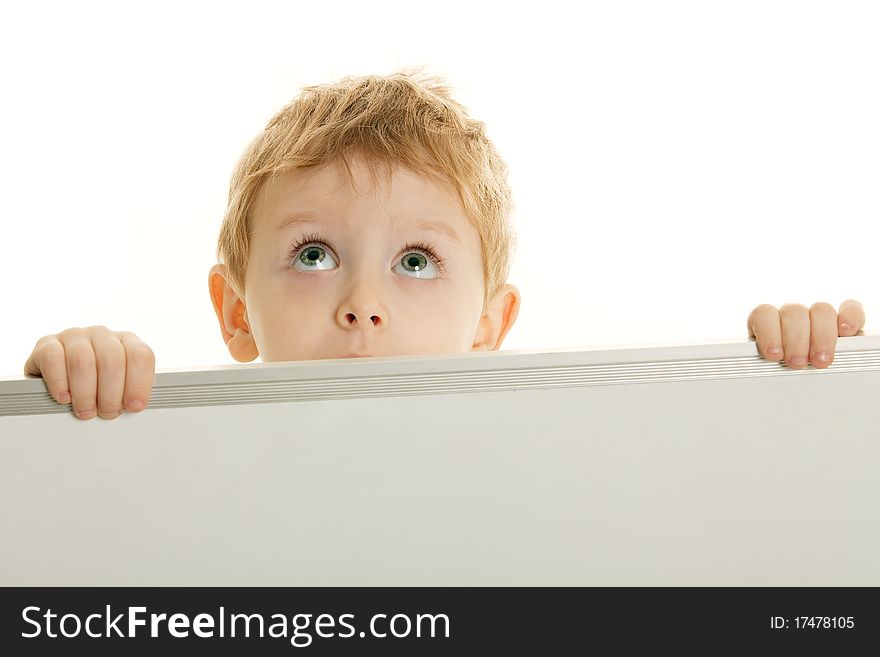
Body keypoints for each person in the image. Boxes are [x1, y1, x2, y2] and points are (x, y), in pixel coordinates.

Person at [22, 71, 868, 420]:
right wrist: (77, 398)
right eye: (313, 254)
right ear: (235, 312)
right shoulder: (183, 464)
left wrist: (797, 390)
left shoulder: (543, 458)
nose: (364, 304)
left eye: (416, 261)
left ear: (489, 324)